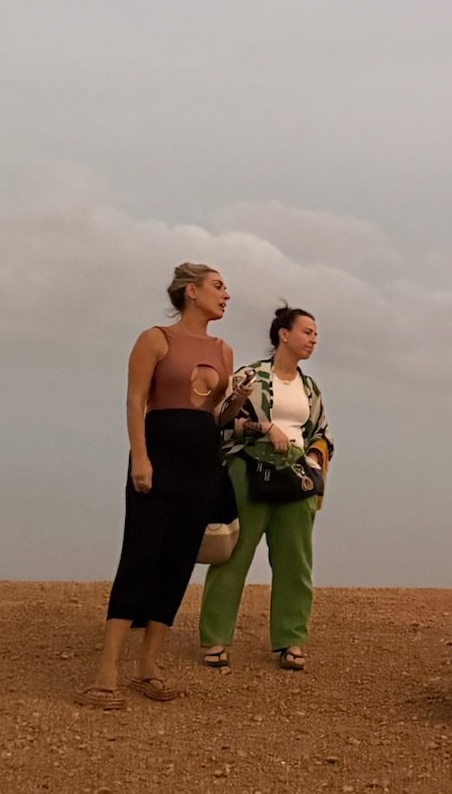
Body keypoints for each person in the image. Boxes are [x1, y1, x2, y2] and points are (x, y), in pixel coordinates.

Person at [82, 263, 237, 710]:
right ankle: (106, 671)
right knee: (140, 556)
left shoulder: (224, 350)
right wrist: (141, 457)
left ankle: (148, 666)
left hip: (202, 463)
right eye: (218, 287)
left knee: (178, 561)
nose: (226, 295)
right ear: (192, 292)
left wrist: (235, 407)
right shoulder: (155, 339)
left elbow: (213, 415)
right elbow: (135, 401)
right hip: (158, 456)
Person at [198, 304, 333, 672]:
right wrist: (262, 429)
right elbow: (222, 420)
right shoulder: (250, 377)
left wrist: (316, 460)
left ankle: (291, 640)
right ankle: (215, 639)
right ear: (283, 335)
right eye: (307, 331)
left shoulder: (310, 388)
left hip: (297, 478)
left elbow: (321, 432)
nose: (313, 339)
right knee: (234, 555)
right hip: (250, 472)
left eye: (316, 334)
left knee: (295, 562)